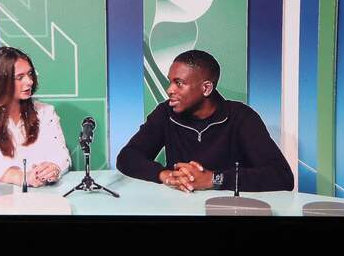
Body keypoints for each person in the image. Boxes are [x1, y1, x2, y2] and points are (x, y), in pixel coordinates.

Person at [116, 49, 294, 193]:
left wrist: (213, 179)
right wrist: (165, 175)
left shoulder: (241, 117)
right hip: (178, 209)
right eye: (170, 82)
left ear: (206, 88)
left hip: (229, 211)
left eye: (179, 83)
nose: (169, 90)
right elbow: (128, 157)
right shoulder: (165, 113)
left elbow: (281, 176)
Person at [0, 46, 71, 186]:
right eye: (20, 77)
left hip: (44, 197)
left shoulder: (46, 112)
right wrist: (21, 177)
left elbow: (60, 154)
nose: (29, 81)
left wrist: (53, 167)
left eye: (30, 74)